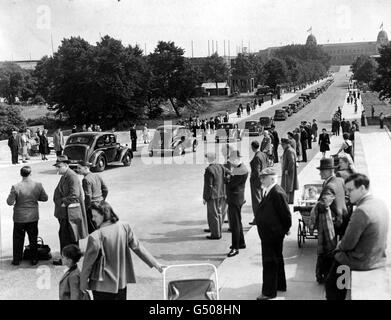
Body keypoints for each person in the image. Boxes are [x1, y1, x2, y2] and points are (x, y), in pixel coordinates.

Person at [80, 201, 165, 300]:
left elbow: (87, 264)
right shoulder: (124, 227)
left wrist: (83, 285)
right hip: (121, 283)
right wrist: (156, 264)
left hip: (101, 286)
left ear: (105, 214)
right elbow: (137, 247)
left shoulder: (95, 236)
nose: (93, 219)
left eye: (95, 216)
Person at [325, 174, 389, 300]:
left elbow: (347, 244)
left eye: (350, 190)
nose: (348, 194)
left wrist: (338, 246)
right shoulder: (379, 203)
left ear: (362, 189)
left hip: (361, 261)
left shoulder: (361, 211)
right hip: (378, 257)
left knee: (331, 284)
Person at [255, 168, 291, 300]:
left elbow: (286, 215)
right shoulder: (270, 190)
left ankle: (269, 292)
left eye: (263, 178)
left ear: (271, 178)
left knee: (269, 262)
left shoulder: (277, 193)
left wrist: (284, 229)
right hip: (270, 233)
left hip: (272, 234)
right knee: (277, 260)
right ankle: (280, 284)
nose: (261, 180)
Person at [6, 166, 48, 266]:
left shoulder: (16, 186)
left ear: (21, 174)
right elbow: (45, 198)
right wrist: (34, 199)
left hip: (19, 217)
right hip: (33, 216)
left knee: (18, 238)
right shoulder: (38, 185)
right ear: (31, 173)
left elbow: (9, 202)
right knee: (33, 238)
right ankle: (34, 259)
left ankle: (16, 259)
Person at [53, 156, 88, 265]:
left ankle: (67, 259)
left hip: (69, 212)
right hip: (66, 212)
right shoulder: (65, 175)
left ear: (66, 165)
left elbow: (75, 195)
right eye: (57, 167)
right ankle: (73, 257)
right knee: (70, 235)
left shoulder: (71, 176)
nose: (57, 169)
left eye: (59, 167)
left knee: (66, 236)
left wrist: (63, 202)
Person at [309, 186, 338, 283]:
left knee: (323, 255)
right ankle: (323, 276)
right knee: (325, 255)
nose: (327, 200)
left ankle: (321, 276)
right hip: (326, 235)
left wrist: (312, 227)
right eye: (325, 197)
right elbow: (313, 217)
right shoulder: (321, 206)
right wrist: (312, 227)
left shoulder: (320, 205)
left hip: (326, 235)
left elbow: (313, 218)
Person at [316, 158, 348, 238]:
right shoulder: (340, 180)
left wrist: (316, 206)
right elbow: (347, 196)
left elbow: (324, 204)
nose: (320, 173)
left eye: (322, 171)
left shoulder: (330, 185)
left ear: (330, 171)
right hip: (344, 216)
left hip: (335, 222)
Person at [225, 150, 248, 257]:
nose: (231, 163)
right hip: (237, 198)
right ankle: (241, 242)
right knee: (238, 221)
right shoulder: (240, 168)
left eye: (231, 160)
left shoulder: (241, 170)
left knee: (235, 224)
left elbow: (230, 185)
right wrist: (230, 174)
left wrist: (226, 178)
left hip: (235, 199)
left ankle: (235, 247)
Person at [77, 161, 108, 234]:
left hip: (92, 206)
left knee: (92, 229)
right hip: (100, 204)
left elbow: (88, 196)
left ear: (86, 168)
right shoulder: (97, 175)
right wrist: (102, 199)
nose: (78, 170)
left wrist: (85, 208)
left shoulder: (86, 179)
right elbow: (105, 190)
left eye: (79, 168)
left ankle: (96, 244)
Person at [202, 153, 226, 239]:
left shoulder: (209, 170)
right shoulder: (221, 166)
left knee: (213, 215)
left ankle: (216, 234)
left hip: (213, 195)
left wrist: (205, 197)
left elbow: (209, 186)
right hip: (221, 193)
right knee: (219, 213)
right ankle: (218, 231)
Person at [249, 141, 268, 225]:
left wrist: (252, 179)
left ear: (253, 147)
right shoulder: (263, 154)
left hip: (256, 181)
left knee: (256, 201)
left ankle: (257, 219)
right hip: (263, 179)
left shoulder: (256, 157)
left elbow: (256, 171)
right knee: (261, 199)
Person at [280, 138, 299, 204]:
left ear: (286, 144)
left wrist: (287, 170)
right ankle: (290, 200)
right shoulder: (289, 149)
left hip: (289, 172)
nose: (282, 146)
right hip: (291, 171)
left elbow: (292, 161)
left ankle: (287, 200)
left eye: (282, 145)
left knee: (288, 186)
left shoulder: (289, 151)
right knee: (290, 186)